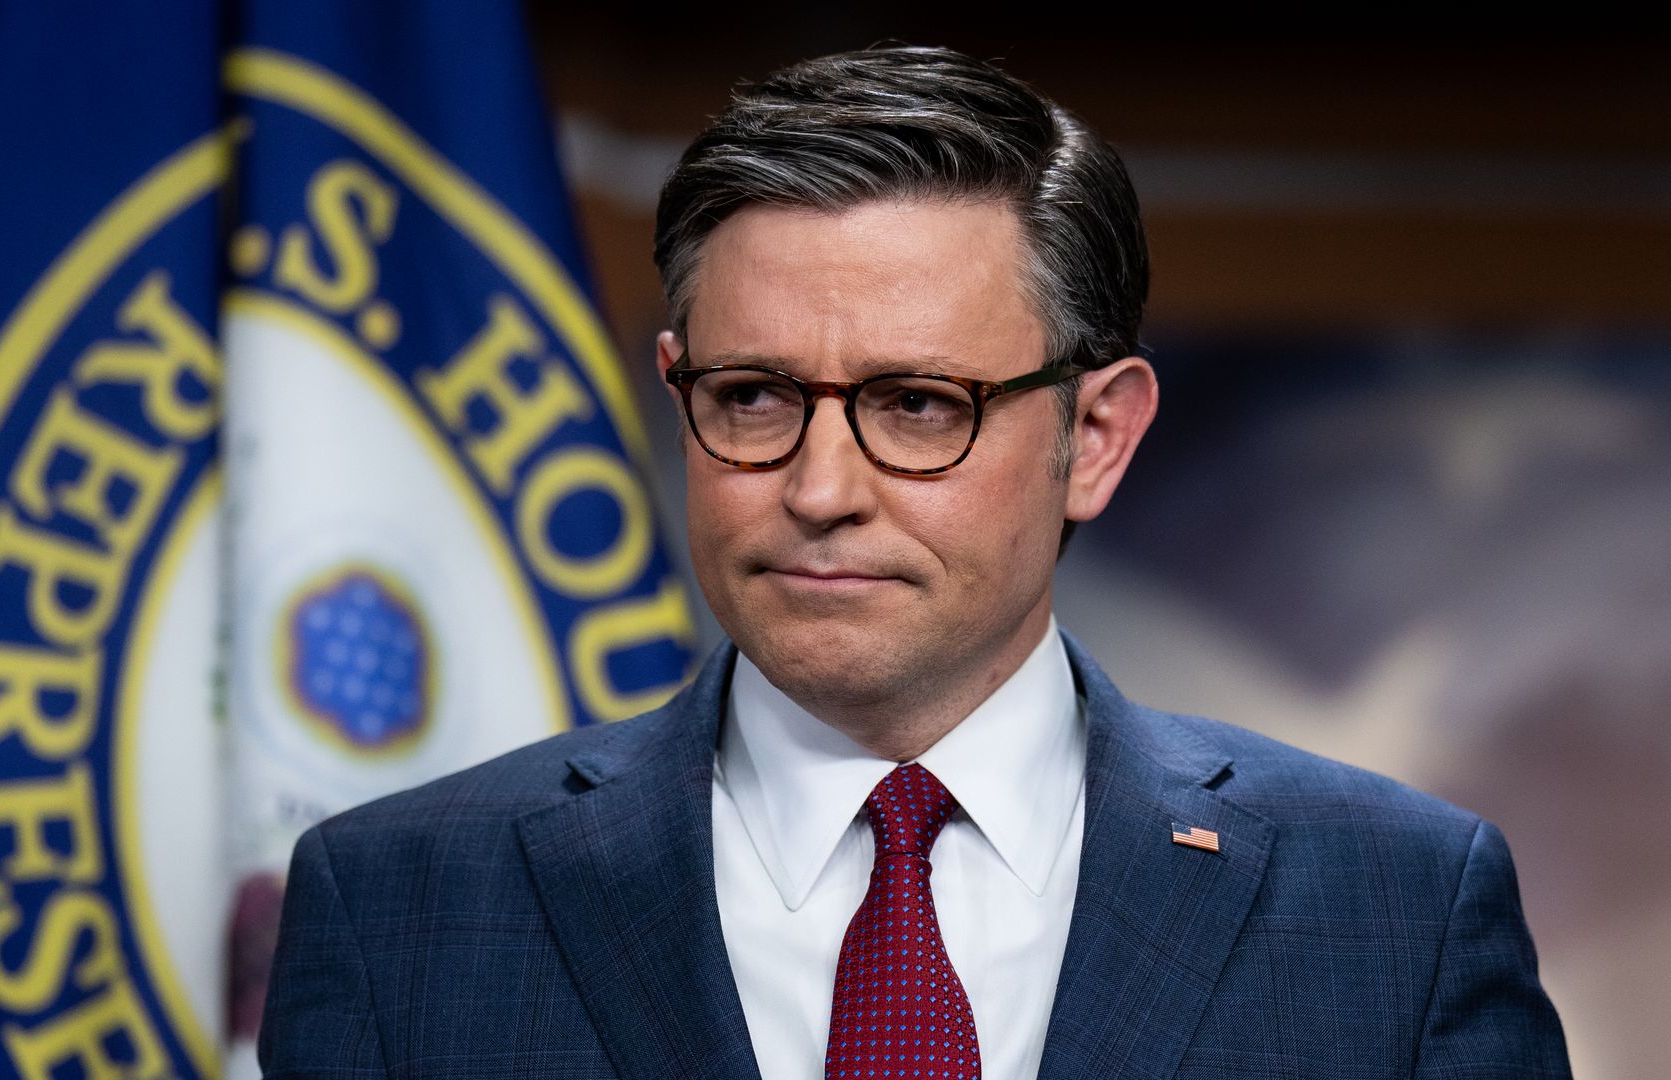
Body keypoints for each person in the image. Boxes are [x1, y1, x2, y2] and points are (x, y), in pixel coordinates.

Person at [257, 45, 1571, 1078]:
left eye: (920, 406)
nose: (821, 491)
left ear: (1096, 435)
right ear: (679, 393)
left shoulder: (1397, 909)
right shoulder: (403, 909)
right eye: (756, 398)